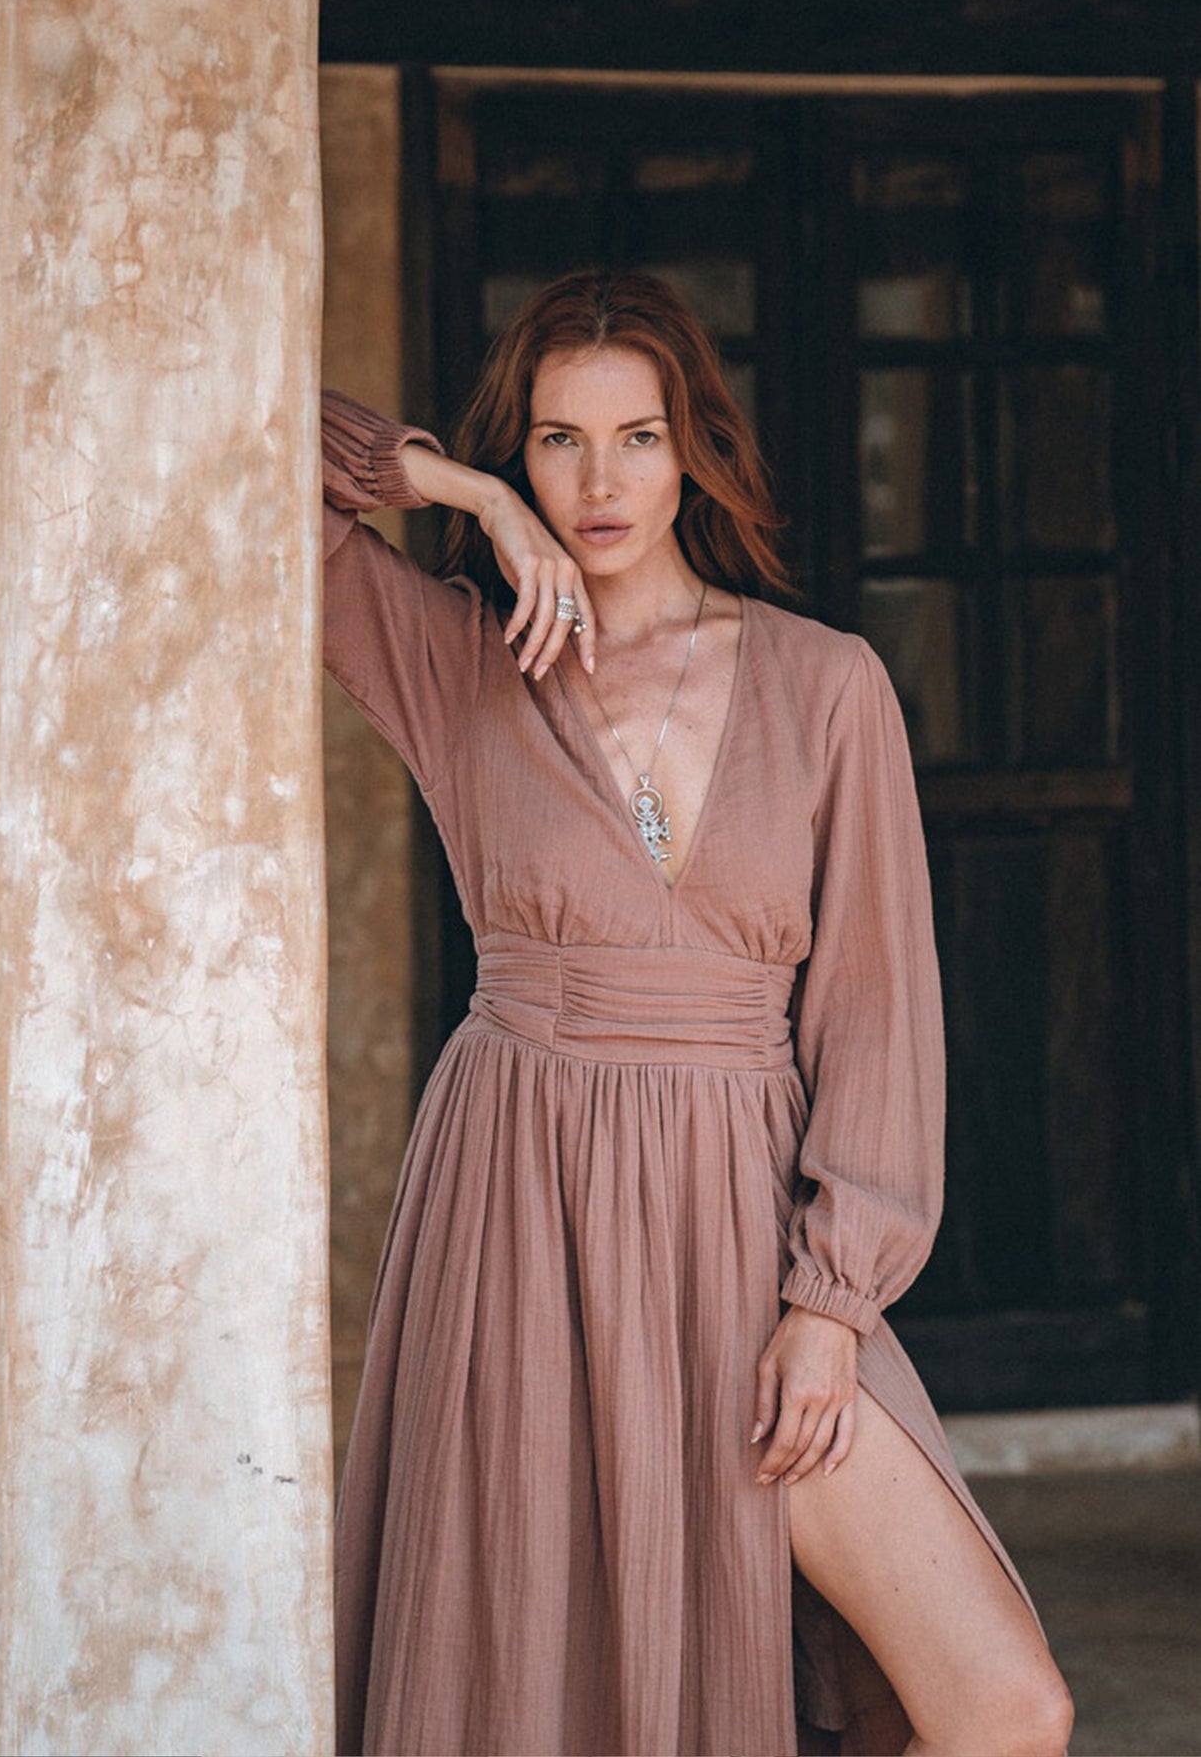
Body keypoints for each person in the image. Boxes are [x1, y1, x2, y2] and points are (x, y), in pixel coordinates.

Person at [321, 270, 1073, 1757]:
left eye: (638, 437)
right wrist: (460, 494)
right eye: (554, 442)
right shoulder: (455, 659)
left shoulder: (825, 685)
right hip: (521, 1215)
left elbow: (872, 1011)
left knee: (1002, 1703)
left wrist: (827, 1305)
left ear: (695, 452)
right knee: (537, 1687)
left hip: (751, 1243)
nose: (599, 481)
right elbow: (219, 449)